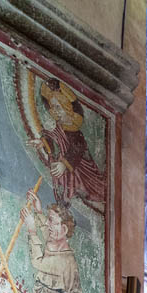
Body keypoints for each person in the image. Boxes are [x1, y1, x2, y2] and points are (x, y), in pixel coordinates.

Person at [21, 189, 90, 293]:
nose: (48, 224)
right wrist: (38, 210)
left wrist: (32, 231)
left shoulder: (65, 261)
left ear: (64, 229)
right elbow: (48, 233)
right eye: (49, 219)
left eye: (52, 221)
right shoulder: (58, 244)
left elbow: (37, 262)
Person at [30, 78, 106, 211]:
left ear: (68, 108)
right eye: (53, 108)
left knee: (93, 190)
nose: (56, 111)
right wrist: (42, 142)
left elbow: (78, 148)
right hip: (67, 169)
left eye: (59, 107)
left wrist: (64, 164)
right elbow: (55, 140)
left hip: (82, 170)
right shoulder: (59, 128)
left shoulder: (74, 131)